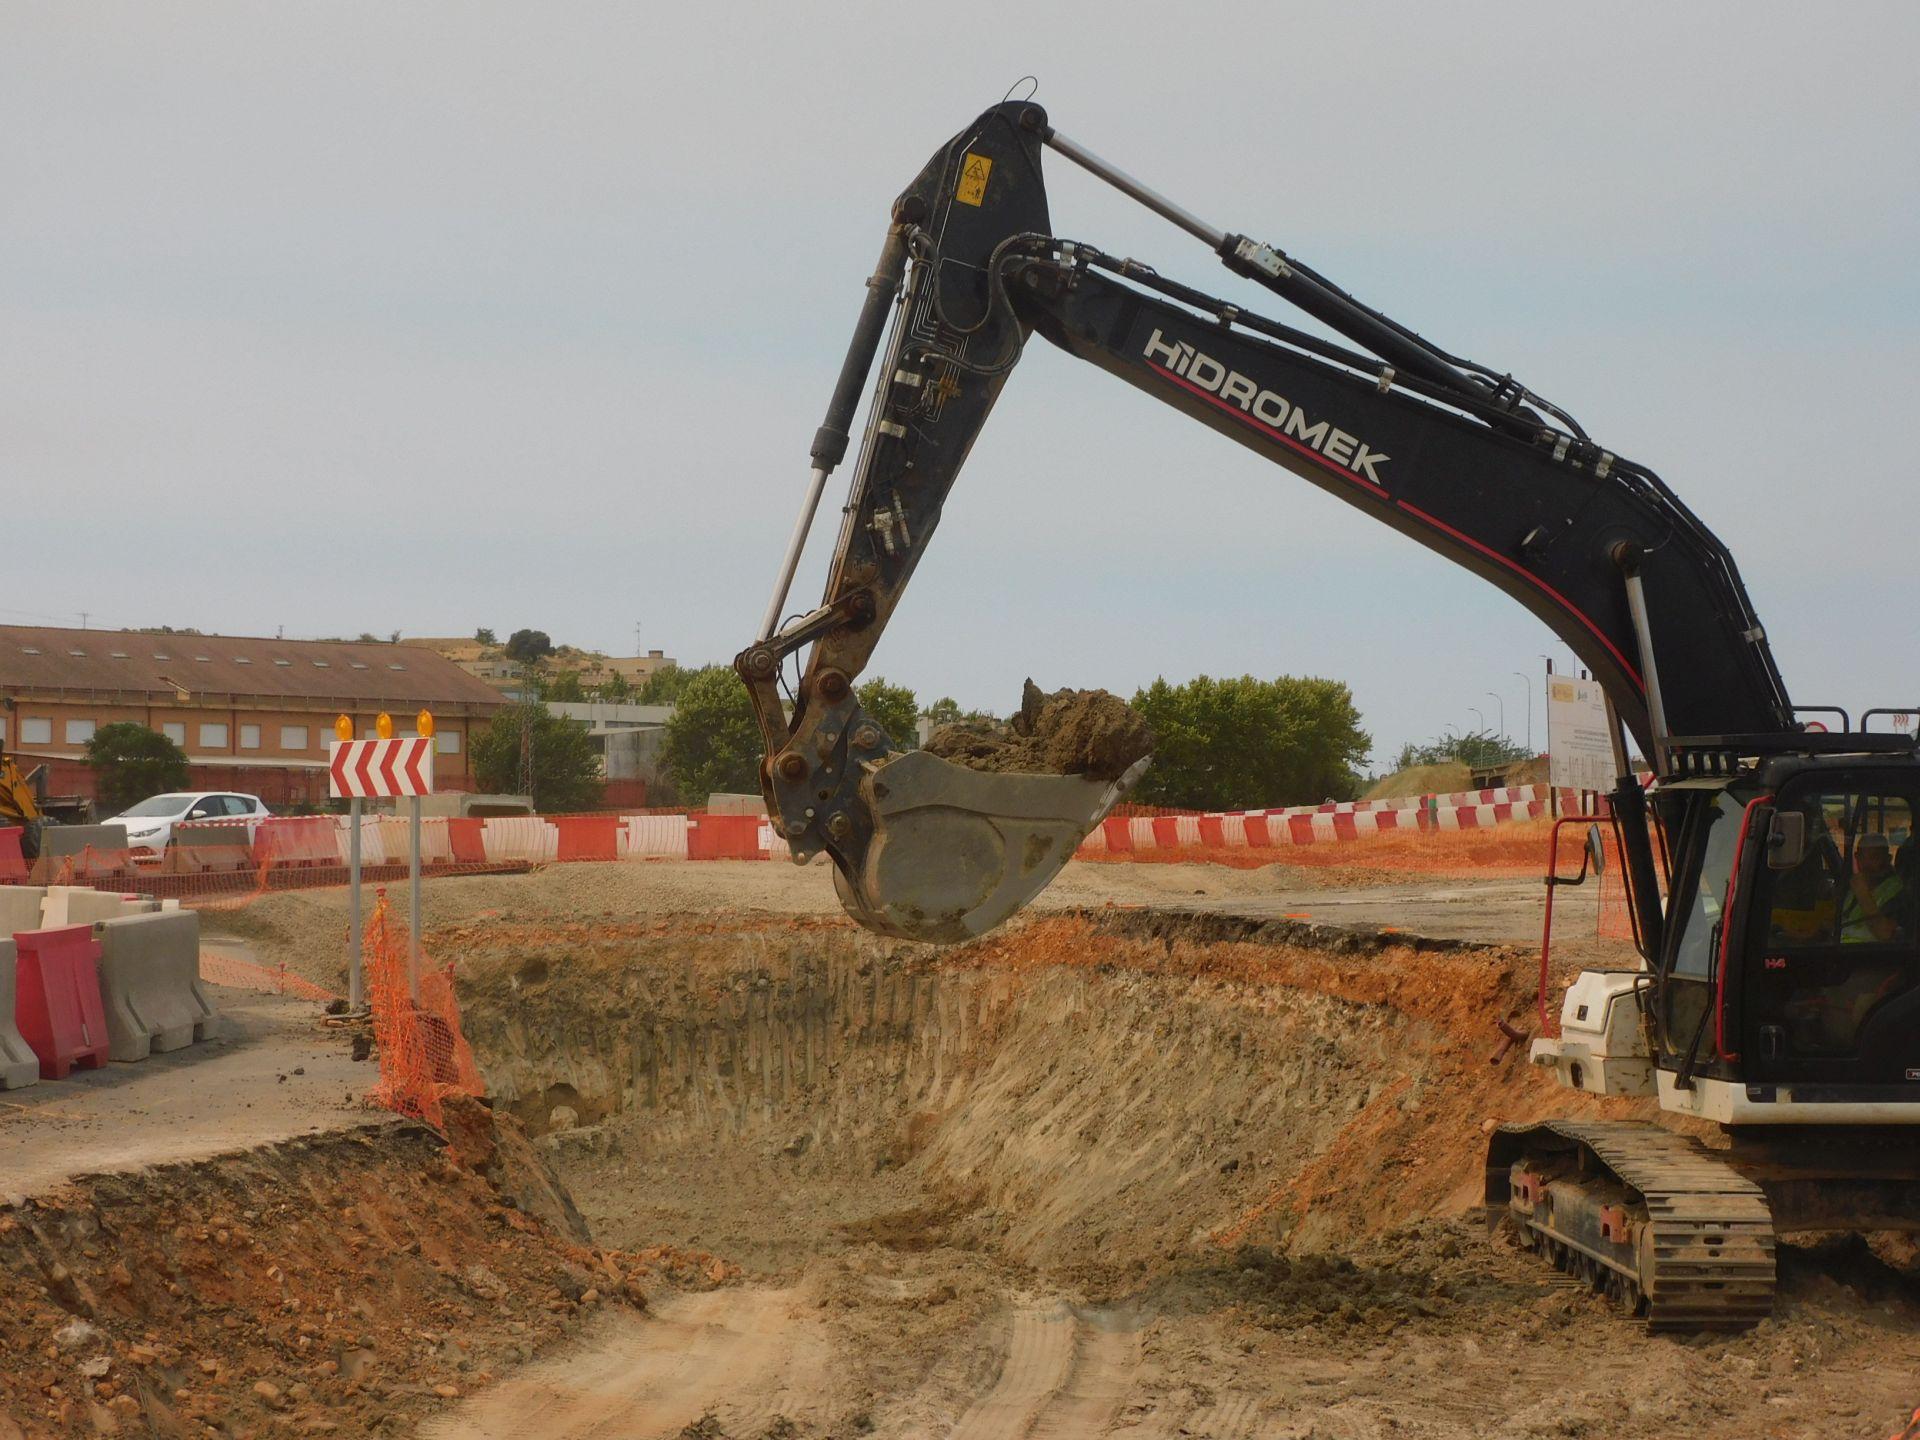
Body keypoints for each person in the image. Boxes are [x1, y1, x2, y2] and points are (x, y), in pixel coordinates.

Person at [1840, 832, 1911, 943]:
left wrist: (1863, 895)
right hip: (1842, 952)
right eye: (1862, 857)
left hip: (1873, 957)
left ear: (1888, 859)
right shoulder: (1855, 886)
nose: (1866, 863)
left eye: (1874, 857)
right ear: (1856, 857)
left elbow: (1885, 934)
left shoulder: (1898, 891)